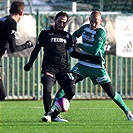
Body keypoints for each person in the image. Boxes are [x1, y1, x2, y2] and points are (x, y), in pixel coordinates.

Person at [51, 10, 133, 122]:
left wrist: (79, 44)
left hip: (97, 67)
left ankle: (127, 111)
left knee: (111, 93)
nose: (93, 24)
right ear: (89, 20)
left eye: (96, 22)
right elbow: (75, 34)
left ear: (101, 21)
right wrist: (74, 37)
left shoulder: (101, 33)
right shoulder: (85, 28)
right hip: (82, 65)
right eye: (92, 21)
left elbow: (94, 51)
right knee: (67, 83)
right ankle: (52, 112)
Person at [24, 11, 101, 122]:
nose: (61, 24)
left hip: (63, 69)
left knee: (71, 91)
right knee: (47, 87)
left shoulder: (67, 36)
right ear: (55, 20)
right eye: (59, 21)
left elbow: (73, 53)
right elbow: (36, 50)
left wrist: (92, 58)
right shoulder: (45, 33)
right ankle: (47, 113)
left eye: (64, 22)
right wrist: (29, 64)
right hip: (49, 67)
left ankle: (55, 115)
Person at [0, 0, 33, 101]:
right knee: (1, 95)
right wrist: (26, 45)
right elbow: (13, 48)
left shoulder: (2, 19)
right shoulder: (11, 23)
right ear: (21, 13)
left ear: (10, 9)